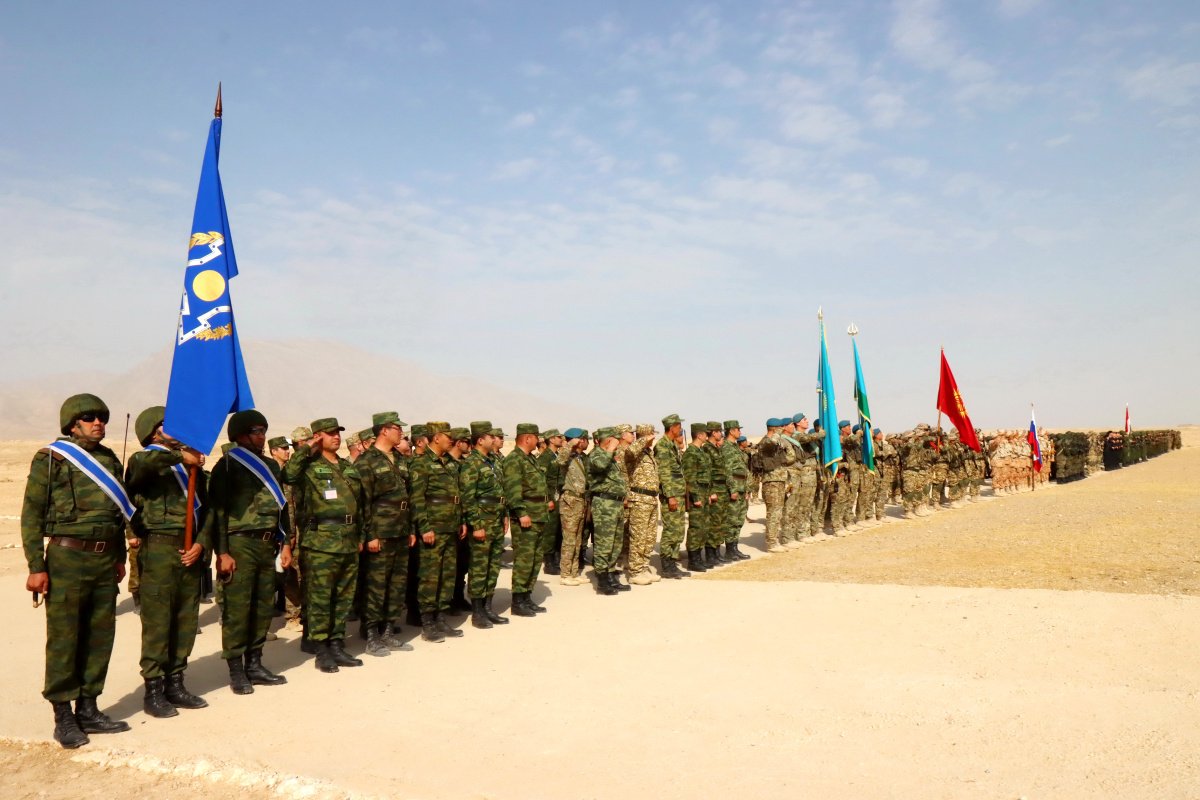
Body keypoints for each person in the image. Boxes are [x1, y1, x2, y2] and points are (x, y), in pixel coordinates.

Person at [21, 394, 132, 748]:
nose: (98, 422)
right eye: (89, 417)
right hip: (67, 558)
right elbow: (31, 515)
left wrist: (119, 558)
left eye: (101, 417)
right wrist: (36, 566)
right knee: (66, 637)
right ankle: (62, 715)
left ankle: (88, 706)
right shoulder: (52, 458)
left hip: (103, 560)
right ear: (72, 424)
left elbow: (116, 517)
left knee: (100, 636)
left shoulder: (109, 460)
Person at [125, 405, 209, 717]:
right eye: (167, 425)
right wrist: (180, 455)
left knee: (186, 620)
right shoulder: (145, 460)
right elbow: (144, 463)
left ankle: (176, 682)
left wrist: (201, 543)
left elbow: (208, 510)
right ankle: (154, 689)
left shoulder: (190, 467)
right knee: (158, 622)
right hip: (159, 550)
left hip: (190, 551)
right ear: (153, 431)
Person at [204, 409, 293, 692]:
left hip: (267, 544)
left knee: (262, 605)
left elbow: (282, 508)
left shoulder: (271, 466)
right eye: (255, 431)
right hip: (239, 544)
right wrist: (223, 552)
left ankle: (254, 664)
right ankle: (236, 670)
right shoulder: (228, 465)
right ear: (240, 435)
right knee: (237, 609)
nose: (261, 436)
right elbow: (216, 512)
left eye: (263, 430)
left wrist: (286, 541)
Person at [282, 417, 365, 673]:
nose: (336, 437)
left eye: (338, 433)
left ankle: (337, 644)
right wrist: (308, 448)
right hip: (320, 543)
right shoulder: (307, 466)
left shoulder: (346, 467)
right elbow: (288, 473)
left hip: (348, 540)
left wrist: (360, 535)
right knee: (320, 599)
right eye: (329, 434)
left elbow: (359, 504)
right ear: (318, 437)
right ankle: (321, 649)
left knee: (343, 597)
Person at [355, 412, 415, 656]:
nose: (400, 432)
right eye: (396, 428)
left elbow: (407, 497)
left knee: (397, 584)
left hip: (400, 530)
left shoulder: (399, 459)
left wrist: (410, 528)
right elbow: (363, 502)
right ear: (383, 431)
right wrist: (369, 534)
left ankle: (389, 631)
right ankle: (371, 635)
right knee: (375, 585)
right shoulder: (366, 461)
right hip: (380, 531)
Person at [409, 422, 466, 642]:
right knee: (430, 576)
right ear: (435, 438)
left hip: (450, 527)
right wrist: (424, 527)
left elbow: (455, 495)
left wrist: (460, 520)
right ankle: (428, 623)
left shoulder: (450, 464)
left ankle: (441, 617)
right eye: (446, 436)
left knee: (447, 575)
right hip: (433, 528)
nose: (450, 439)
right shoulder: (421, 464)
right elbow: (417, 499)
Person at [459, 421, 510, 627]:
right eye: (490, 437)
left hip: (496, 519)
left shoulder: (493, 461)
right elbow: (468, 497)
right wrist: (476, 524)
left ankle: (488, 607)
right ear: (480, 440)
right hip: (482, 520)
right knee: (479, 567)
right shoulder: (471, 464)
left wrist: (504, 514)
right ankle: (477, 611)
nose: (494, 439)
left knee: (493, 565)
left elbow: (500, 492)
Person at [502, 423, 552, 616]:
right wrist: (521, 512)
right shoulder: (514, 460)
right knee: (524, 559)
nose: (538, 440)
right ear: (527, 438)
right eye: (536, 437)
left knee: (535, 558)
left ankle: (527, 596)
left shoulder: (531, 459)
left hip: (539, 515)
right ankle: (518, 601)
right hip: (527, 516)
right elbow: (513, 490)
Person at [588, 428, 629, 595]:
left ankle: (611, 575)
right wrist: (611, 449)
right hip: (604, 504)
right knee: (604, 544)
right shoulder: (596, 454)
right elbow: (600, 465)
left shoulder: (611, 456)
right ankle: (603, 581)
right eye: (614, 439)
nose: (617, 441)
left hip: (616, 504)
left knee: (615, 543)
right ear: (607, 439)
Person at [623, 424, 661, 584]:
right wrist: (644, 439)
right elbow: (630, 452)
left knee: (649, 538)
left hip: (651, 499)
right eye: (652, 435)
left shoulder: (648, 453)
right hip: (639, 499)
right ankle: (635, 572)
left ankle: (644, 567)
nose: (654, 438)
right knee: (638, 537)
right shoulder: (634, 451)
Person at [653, 414, 690, 579]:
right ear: (672, 427)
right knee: (671, 531)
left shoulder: (672, 445)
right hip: (672, 495)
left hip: (678, 494)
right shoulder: (662, 446)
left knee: (678, 530)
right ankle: (667, 565)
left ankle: (673, 563)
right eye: (678, 426)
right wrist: (670, 496)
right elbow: (664, 473)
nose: (680, 429)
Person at [555, 428, 592, 584]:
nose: (584, 442)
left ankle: (573, 572)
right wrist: (570, 444)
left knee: (577, 539)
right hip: (570, 500)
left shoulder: (579, 457)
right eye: (582, 439)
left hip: (580, 501)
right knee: (569, 539)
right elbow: (560, 461)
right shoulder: (566, 455)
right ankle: (565, 574)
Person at [681, 422, 714, 570]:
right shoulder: (691, 453)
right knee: (696, 526)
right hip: (697, 492)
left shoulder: (701, 451)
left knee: (704, 525)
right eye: (706, 433)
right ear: (699, 435)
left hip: (704, 491)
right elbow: (690, 477)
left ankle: (699, 556)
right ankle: (693, 560)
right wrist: (696, 497)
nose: (708, 435)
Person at [720, 420, 751, 560]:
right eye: (738, 429)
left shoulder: (735, 447)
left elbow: (743, 470)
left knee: (739, 520)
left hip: (742, 488)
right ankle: (729, 550)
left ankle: (734, 548)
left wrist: (747, 489)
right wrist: (732, 489)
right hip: (734, 489)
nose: (740, 432)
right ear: (731, 431)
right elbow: (727, 470)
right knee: (731, 520)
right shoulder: (726, 447)